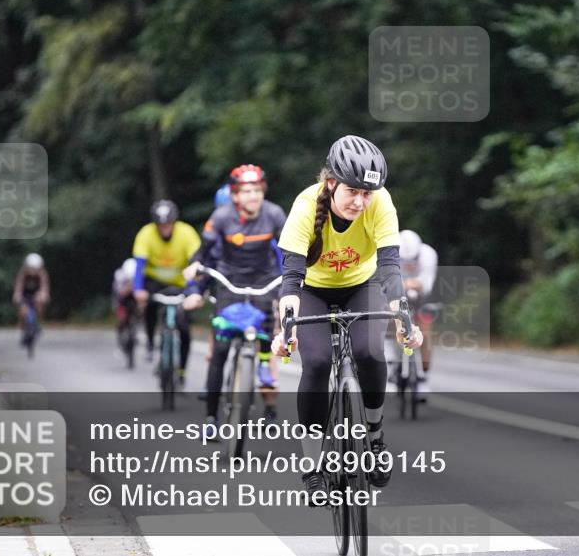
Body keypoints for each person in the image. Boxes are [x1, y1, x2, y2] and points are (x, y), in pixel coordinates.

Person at [271, 135, 422, 500]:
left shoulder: (380, 202)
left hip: (362, 284)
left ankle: (374, 436)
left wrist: (404, 319)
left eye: (367, 194)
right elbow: (290, 278)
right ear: (331, 182)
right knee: (318, 362)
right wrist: (286, 328)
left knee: (371, 353)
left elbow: (389, 266)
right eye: (353, 191)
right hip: (311, 290)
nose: (360, 201)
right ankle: (311, 466)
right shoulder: (306, 205)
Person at [182, 164, 287, 436]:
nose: (253, 196)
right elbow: (203, 254)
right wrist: (194, 275)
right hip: (230, 281)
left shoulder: (274, 214)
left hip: (265, 279)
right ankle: (210, 418)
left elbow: (291, 250)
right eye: (246, 191)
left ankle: (264, 363)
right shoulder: (221, 217)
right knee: (220, 350)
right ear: (235, 195)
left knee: (266, 328)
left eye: (257, 190)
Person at [132, 200, 201, 386]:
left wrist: (195, 290)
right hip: (155, 282)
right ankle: (150, 343)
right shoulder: (146, 234)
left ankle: (182, 370)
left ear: (174, 222)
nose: (164, 229)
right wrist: (138, 290)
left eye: (168, 224)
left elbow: (195, 262)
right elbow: (139, 265)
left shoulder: (186, 233)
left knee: (184, 326)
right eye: (160, 225)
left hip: (181, 282)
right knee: (149, 308)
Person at [392, 229, 438, 395]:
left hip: (422, 296)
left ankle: (423, 374)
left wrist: (411, 285)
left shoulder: (427, 253)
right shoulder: (390, 251)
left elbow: (427, 282)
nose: (409, 263)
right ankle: (393, 358)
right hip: (397, 294)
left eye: (412, 260)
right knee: (388, 318)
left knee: (425, 331)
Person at [12, 253, 50, 337]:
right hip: (25, 294)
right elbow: (19, 285)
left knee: (39, 303)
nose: (33, 271)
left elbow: (44, 286)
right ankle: (22, 327)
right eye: (31, 268)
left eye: (35, 268)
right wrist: (17, 294)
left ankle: (38, 322)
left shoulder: (42, 274)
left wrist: (44, 294)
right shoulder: (23, 274)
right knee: (23, 311)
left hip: (36, 294)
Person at [112, 257, 138, 335]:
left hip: (133, 297)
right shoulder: (119, 275)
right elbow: (120, 292)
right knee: (122, 316)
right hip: (121, 299)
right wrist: (129, 287)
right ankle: (121, 326)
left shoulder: (140, 274)